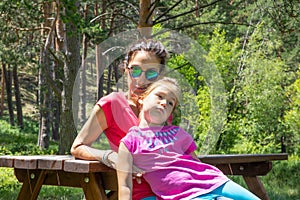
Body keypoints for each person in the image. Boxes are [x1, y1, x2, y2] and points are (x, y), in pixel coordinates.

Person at [117, 77, 260, 200]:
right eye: (160, 96)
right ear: (142, 99)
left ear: (170, 113)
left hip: (214, 181)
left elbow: (195, 161)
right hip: (183, 194)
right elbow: (125, 186)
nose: (164, 103)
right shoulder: (130, 142)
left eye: (170, 103)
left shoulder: (177, 133)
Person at [71, 39, 169, 200]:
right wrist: (110, 156)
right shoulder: (112, 104)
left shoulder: (163, 105)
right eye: (135, 70)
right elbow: (78, 146)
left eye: (151, 72)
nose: (141, 80)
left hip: (172, 191)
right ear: (126, 69)